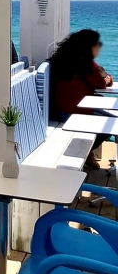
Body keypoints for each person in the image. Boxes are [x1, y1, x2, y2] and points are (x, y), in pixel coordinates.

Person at [49, 29, 114, 169]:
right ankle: (87, 152)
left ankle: (87, 153)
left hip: (55, 110)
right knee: (110, 126)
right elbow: (104, 83)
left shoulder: (58, 60)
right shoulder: (87, 65)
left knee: (110, 119)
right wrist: (105, 75)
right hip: (75, 112)